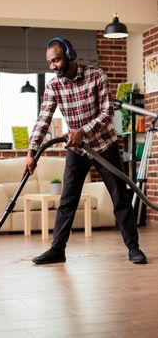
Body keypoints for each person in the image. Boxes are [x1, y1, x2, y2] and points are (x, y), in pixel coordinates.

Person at [24, 36, 147, 265]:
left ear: (70, 54)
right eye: (50, 62)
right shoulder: (53, 86)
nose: (53, 66)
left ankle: (133, 247)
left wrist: (82, 131)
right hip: (78, 150)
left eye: (57, 60)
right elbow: (43, 119)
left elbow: (108, 113)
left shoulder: (96, 75)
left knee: (119, 197)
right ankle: (57, 250)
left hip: (104, 146)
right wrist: (32, 151)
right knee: (67, 200)